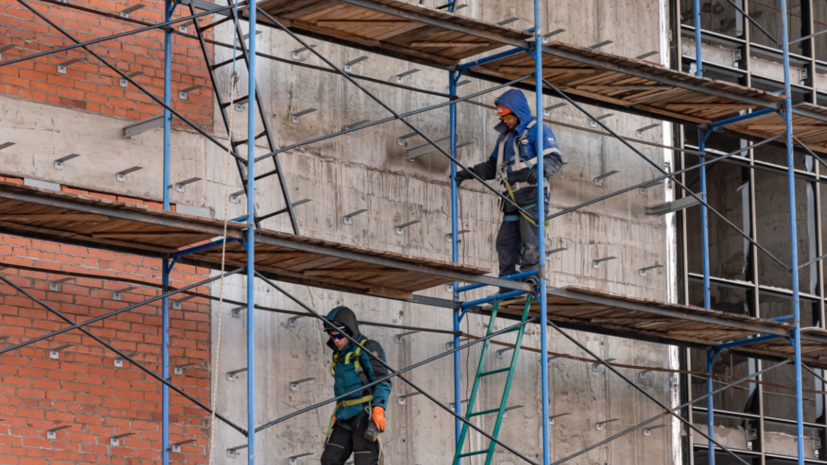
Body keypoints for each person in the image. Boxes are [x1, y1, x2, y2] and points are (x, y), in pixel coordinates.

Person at [456, 89, 563, 288]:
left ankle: (531, 277)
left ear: (517, 112)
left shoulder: (538, 130)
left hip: (532, 194)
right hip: (511, 198)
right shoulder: (505, 138)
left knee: (531, 239)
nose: (504, 121)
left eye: (507, 117)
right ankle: (508, 281)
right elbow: (493, 166)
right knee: (505, 243)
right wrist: (469, 173)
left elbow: (554, 159)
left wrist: (541, 170)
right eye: (502, 118)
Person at [321, 306, 391, 465]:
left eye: (339, 335)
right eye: (332, 336)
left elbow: (383, 381)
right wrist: (340, 408)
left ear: (350, 331)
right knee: (329, 460)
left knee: (364, 462)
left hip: (363, 415)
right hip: (344, 416)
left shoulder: (368, 348)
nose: (336, 340)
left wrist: (379, 408)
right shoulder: (339, 354)